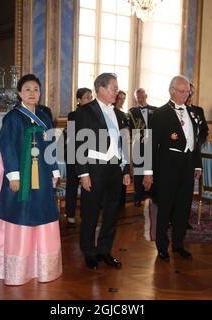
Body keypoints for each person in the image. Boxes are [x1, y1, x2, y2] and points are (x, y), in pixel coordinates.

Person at [0, 74, 62, 285]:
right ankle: (19, 269)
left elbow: (50, 144)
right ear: (19, 93)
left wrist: (54, 170)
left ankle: (40, 266)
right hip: (20, 171)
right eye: (27, 90)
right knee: (22, 214)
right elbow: (7, 147)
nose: (32, 93)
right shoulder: (13, 117)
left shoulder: (44, 115)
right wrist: (13, 176)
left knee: (42, 213)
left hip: (41, 172)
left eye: (36, 89)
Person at [75, 73, 131, 270]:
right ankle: (89, 252)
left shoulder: (120, 114)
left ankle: (105, 250)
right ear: (100, 88)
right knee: (90, 213)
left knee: (111, 213)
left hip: (115, 170)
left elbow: (123, 143)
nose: (116, 91)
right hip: (94, 170)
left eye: (116, 88)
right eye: (113, 88)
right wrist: (83, 174)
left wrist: (126, 169)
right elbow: (78, 144)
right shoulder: (85, 111)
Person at [143, 75, 202, 261]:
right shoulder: (160, 114)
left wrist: (197, 164)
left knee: (183, 207)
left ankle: (178, 244)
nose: (186, 95)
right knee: (166, 208)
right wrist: (148, 172)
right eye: (182, 91)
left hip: (187, 167)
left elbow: (196, 141)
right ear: (172, 91)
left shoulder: (192, 113)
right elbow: (150, 145)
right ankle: (162, 246)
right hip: (167, 168)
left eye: (188, 92)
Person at [64, 88, 93, 224]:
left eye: (91, 97)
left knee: (88, 186)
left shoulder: (95, 114)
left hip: (90, 155)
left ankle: (86, 214)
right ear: (79, 100)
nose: (90, 99)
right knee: (72, 185)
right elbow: (72, 137)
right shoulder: (73, 115)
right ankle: (70, 214)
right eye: (87, 97)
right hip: (73, 154)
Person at [128, 88, 157, 207]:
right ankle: (137, 198)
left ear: (146, 95)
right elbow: (130, 129)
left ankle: (152, 196)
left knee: (152, 169)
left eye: (142, 96)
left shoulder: (156, 110)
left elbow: (158, 127)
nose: (140, 99)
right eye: (138, 97)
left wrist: (151, 137)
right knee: (139, 172)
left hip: (153, 145)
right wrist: (140, 138)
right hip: (138, 145)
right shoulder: (132, 111)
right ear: (135, 98)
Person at [113, 90, 130, 209]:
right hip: (113, 150)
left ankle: (121, 204)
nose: (122, 101)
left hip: (124, 147)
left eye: (124, 98)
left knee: (123, 174)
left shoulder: (124, 115)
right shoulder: (112, 113)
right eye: (120, 98)